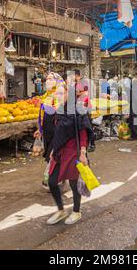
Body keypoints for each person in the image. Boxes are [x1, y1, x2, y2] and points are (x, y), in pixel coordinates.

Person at [46, 82, 93, 225]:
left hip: (74, 151)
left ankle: (76, 211)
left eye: (61, 93)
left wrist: (83, 153)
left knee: (73, 183)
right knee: (52, 181)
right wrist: (53, 149)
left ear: (69, 94)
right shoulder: (58, 110)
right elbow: (58, 133)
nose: (58, 96)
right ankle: (61, 210)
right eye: (57, 93)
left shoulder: (78, 110)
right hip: (60, 150)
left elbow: (83, 133)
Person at [35, 72, 66, 189]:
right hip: (48, 132)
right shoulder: (46, 97)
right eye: (47, 79)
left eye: (51, 79)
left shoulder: (61, 95)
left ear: (58, 81)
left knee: (54, 154)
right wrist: (39, 129)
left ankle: (55, 178)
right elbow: (43, 116)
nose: (48, 81)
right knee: (50, 154)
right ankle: (56, 177)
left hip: (58, 131)